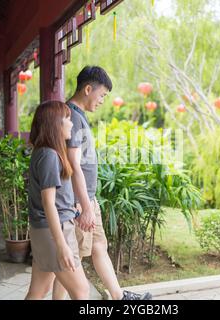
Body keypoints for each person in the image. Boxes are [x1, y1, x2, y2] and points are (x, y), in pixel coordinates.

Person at [52, 66, 152, 300]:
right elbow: (74, 165)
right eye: (102, 95)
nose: (102, 101)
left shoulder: (77, 115)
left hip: (87, 197)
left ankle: (119, 297)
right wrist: (84, 206)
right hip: (77, 201)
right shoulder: (72, 117)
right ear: (88, 89)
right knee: (69, 261)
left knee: (98, 246)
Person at [25, 101, 90, 300]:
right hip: (55, 232)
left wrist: (74, 209)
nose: (71, 124)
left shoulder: (43, 152)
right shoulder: (49, 156)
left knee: (38, 291)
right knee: (81, 291)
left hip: (44, 230)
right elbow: (48, 203)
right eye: (67, 119)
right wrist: (62, 246)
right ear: (55, 124)